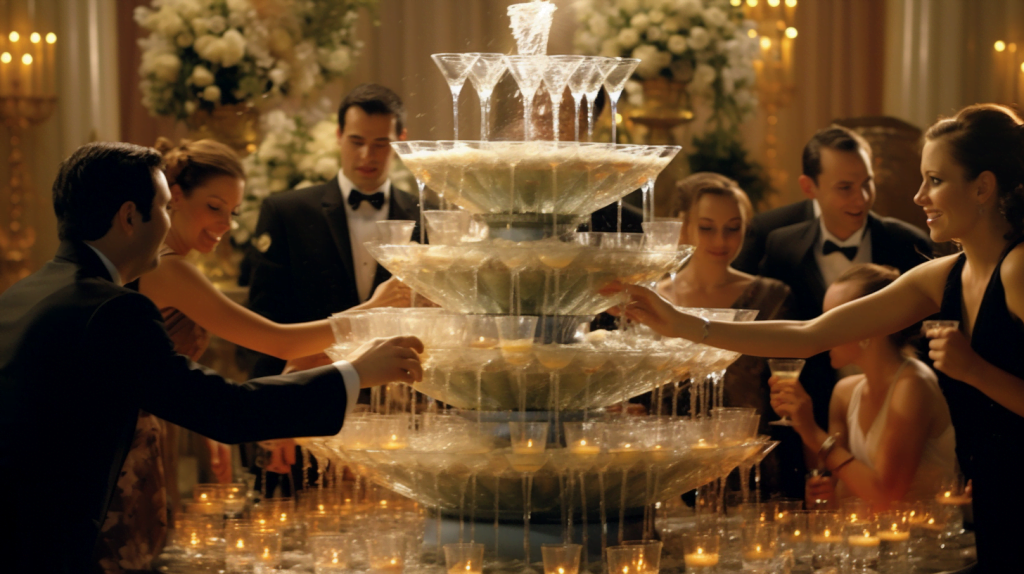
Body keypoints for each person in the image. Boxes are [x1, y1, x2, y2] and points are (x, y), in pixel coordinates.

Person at [611, 103, 1024, 572]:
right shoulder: (945, 275)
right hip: (995, 503)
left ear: (983, 187)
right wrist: (686, 325)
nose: (918, 196)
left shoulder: (1018, 268)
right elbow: (811, 335)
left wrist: (976, 372)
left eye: (934, 180)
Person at [0, 142, 423, 573]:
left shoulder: (23, 292)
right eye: (164, 207)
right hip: (49, 540)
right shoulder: (115, 309)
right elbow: (229, 409)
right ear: (129, 217)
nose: (167, 224)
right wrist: (355, 373)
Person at [750, 127, 933, 433]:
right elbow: (773, 330)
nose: (861, 199)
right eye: (845, 187)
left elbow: (930, 333)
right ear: (809, 187)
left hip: (900, 412)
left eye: (867, 183)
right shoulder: (782, 248)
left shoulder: (908, 244)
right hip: (814, 411)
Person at [245, 83, 422, 378]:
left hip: (398, 393)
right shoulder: (286, 212)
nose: (368, 155)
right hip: (305, 389)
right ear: (339, 136)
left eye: (381, 143)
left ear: (401, 141)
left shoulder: (425, 217)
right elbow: (263, 319)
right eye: (356, 141)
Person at [770, 263, 955, 509]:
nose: (820, 331)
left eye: (832, 320)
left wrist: (812, 432)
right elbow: (839, 486)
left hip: (928, 541)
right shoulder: (845, 392)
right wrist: (823, 491)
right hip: (869, 540)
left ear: (870, 326)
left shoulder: (913, 384)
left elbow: (886, 494)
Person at [656, 172, 792, 496]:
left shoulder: (770, 297)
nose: (720, 241)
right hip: (664, 471)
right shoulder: (655, 300)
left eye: (733, 228)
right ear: (685, 226)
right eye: (707, 228)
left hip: (745, 473)